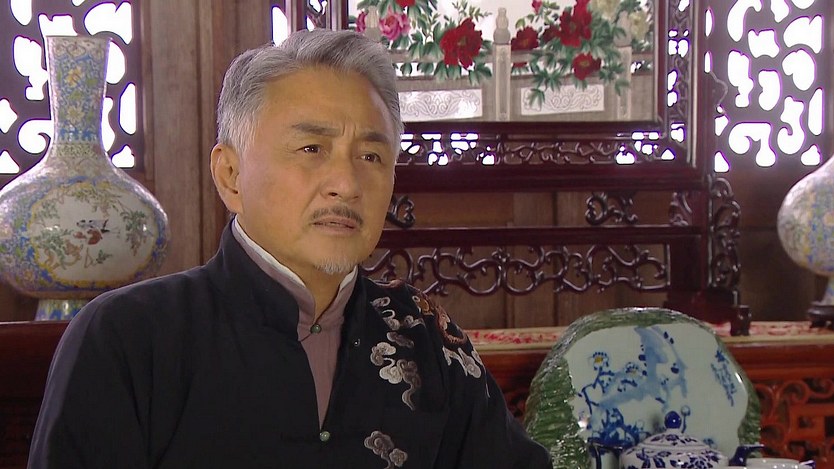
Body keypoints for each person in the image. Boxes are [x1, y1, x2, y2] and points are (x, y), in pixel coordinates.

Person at [28, 29, 553, 469]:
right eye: (311, 148)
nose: (346, 184)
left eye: (371, 156)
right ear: (230, 175)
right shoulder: (128, 338)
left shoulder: (424, 338)